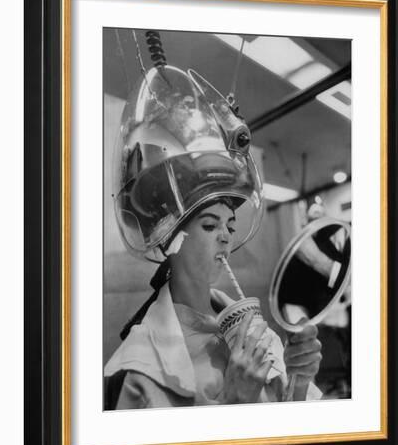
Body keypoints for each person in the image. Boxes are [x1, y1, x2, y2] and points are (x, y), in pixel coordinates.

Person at [104, 53, 322, 409]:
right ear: (170, 237)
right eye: (209, 224)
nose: (226, 236)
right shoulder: (141, 370)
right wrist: (233, 402)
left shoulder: (257, 333)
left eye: (230, 225)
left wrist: (298, 382)